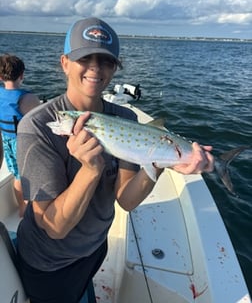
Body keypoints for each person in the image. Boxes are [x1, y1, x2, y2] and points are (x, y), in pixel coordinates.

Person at [16, 17, 214, 303]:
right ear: (64, 63)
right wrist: (91, 169)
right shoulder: (37, 126)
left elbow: (126, 200)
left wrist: (159, 162)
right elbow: (53, 227)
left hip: (96, 247)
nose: (96, 67)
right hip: (50, 264)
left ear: (115, 68)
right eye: (85, 57)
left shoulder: (126, 118)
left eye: (106, 61)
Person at [0, 54, 40, 217]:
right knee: (32, 174)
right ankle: (34, 209)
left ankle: (22, 208)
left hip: (6, 141)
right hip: (23, 144)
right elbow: (40, 123)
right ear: (22, 75)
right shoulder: (27, 98)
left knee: (17, 175)